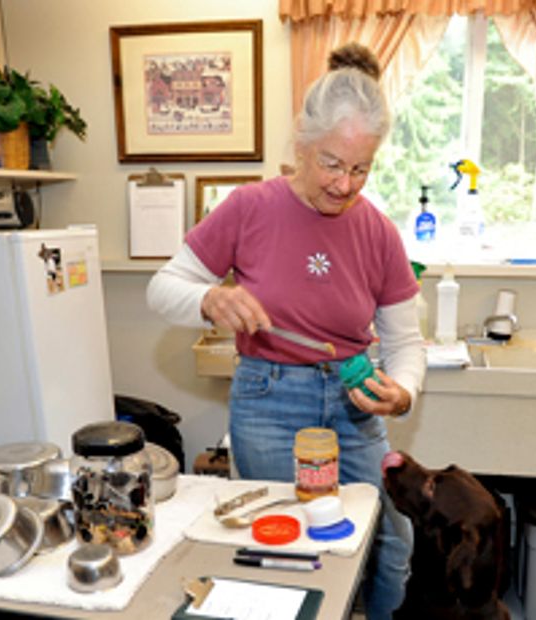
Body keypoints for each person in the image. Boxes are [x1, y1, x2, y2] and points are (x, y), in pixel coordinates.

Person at [146, 43, 424, 619]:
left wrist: (403, 391)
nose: (345, 185)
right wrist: (211, 298)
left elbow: (404, 343)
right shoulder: (249, 208)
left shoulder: (378, 233)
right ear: (300, 143)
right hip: (269, 399)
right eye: (331, 163)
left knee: (392, 542)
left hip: (355, 408)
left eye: (360, 168)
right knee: (284, 545)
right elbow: (161, 288)